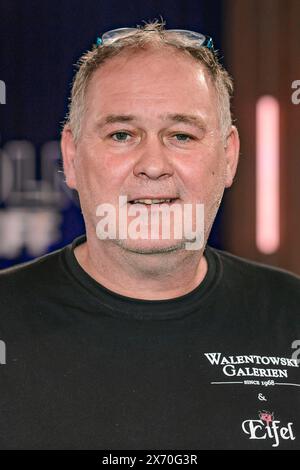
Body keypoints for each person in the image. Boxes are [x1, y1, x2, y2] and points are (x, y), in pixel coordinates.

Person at [0, 20, 299, 450]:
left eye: (181, 135)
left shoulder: (290, 316)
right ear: (71, 155)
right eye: (122, 135)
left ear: (229, 156)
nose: (153, 164)